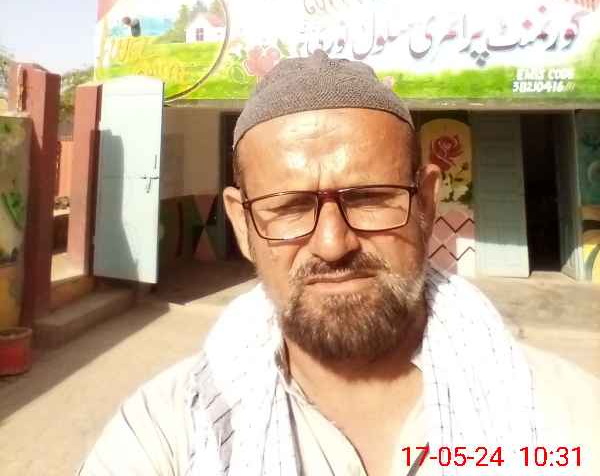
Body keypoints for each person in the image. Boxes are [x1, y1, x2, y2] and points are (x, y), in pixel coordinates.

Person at [80, 51, 600, 475]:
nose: (332, 244)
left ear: (425, 203)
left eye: (370, 198)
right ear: (242, 224)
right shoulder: (169, 432)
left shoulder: (566, 419)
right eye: (288, 207)